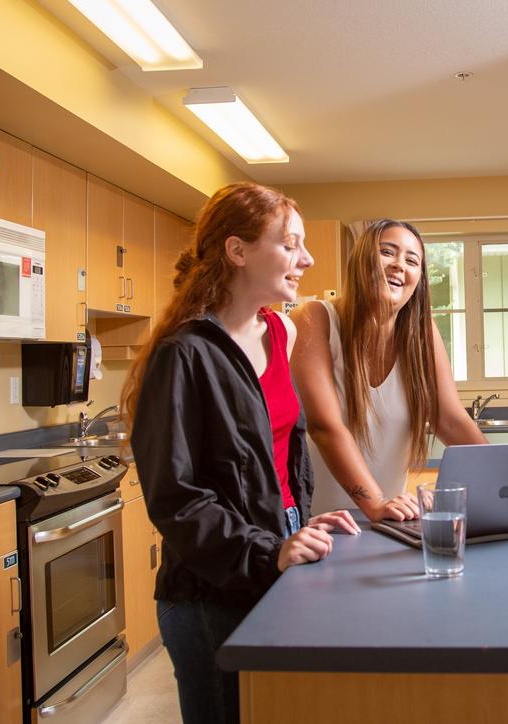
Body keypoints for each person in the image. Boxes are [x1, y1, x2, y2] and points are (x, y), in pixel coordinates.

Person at [121, 182, 359, 724]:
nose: (308, 257)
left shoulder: (279, 331)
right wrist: (265, 551)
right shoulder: (184, 355)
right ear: (238, 250)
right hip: (211, 593)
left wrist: (302, 521)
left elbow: (274, 455)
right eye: (291, 243)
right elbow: (176, 498)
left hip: (272, 562)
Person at [291, 219, 486, 522]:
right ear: (360, 262)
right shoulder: (315, 318)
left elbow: (449, 420)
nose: (399, 265)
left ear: (418, 279)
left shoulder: (422, 334)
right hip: (319, 526)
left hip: (386, 524)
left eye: (412, 260)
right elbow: (324, 425)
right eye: (387, 252)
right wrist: (377, 504)